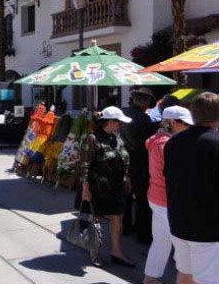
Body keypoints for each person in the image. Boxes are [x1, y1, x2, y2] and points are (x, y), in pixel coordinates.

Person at [164, 92, 219, 284]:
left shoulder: (172, 142)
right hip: (208, 228)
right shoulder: (215, 143)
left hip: (179, 221)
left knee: (185, 273)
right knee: (207, 280)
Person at [77, 106, 135, 268]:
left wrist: (127, 178)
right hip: (97, 188)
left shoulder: (116, 138)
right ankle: (94, 253)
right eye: (119, 122)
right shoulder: (92, 139)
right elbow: (84, 165)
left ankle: (116, 252)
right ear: (110, 121)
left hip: (115, 188)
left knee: (117, 218)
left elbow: (124, 159)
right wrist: (85, 188)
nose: (121, 126)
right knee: (95, 220)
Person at [143, 106, 193, 284]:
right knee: (181, 245)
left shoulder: (157, 140)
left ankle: (151, 277)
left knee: (161, 241)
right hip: (167, 199)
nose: (188, 127)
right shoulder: (167, 144)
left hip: (157, 196)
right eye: (185, 123)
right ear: (172, 123)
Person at [120, 87, 157, 243]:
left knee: (127, 196)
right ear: (146, 102)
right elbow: (149, 143)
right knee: (142, 199)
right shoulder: (144, 119)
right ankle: (143, 234)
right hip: (140, 160)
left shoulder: (124, 113)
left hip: (125, 157)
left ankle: (126, 227)